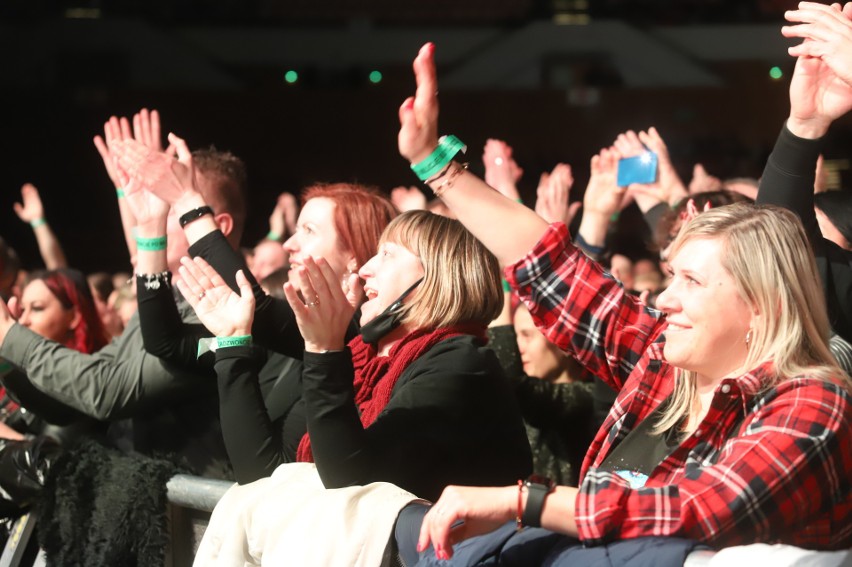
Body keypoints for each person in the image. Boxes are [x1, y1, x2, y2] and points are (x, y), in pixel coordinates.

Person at [392, 43, 851, 563]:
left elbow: (697, 509)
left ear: (763, 306)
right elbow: (551, 267)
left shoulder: (813, 402)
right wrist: (435, 164)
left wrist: (527, 502)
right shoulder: (663, 360)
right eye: (671, 275)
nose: (664, 299)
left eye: (693, 282)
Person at [178, 209, 532, 501]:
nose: (366, 269)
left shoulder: (462, 364)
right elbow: (260, 471)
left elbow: (351, 483)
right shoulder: (361, 355)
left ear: (437, 276)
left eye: (389, 254)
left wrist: (324, 352)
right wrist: (232, 342)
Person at [0, 110, 247, 477]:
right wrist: (8, 358)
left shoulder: (227, 313)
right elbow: (70, 403)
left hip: (188, 523)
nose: (154, 211)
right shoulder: (171, 302)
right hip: (140, 506)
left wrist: (11, 336)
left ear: (216, 224)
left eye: (169, 202)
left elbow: (108, 390)